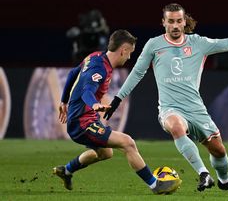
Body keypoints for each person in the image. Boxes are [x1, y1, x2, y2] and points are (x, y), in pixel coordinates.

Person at [104, 3, 228, 192]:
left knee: (219, 150)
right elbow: (136, 73)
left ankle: (224, 181)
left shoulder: (198, 43)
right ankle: (203, 174)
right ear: (163, 23)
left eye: (178, 21)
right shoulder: (154, 44)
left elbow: (224, 43)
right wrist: (118, 99)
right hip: (169, 109)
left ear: (184, 22)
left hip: (196, 109)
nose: (175, 25)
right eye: (171, 21)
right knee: (176, 127)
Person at [53, 29, 181, 194]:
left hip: (85, 118)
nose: (129, 57)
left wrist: (64, 101)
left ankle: (66, 170)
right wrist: (94, 105)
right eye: (130, 53)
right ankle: (155, 185)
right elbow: (87, 92)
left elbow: (73, 73)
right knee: (127, 142)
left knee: (106, 153)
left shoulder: (95, 56)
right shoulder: (100, 70)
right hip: (82, 122)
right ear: (123, 50)